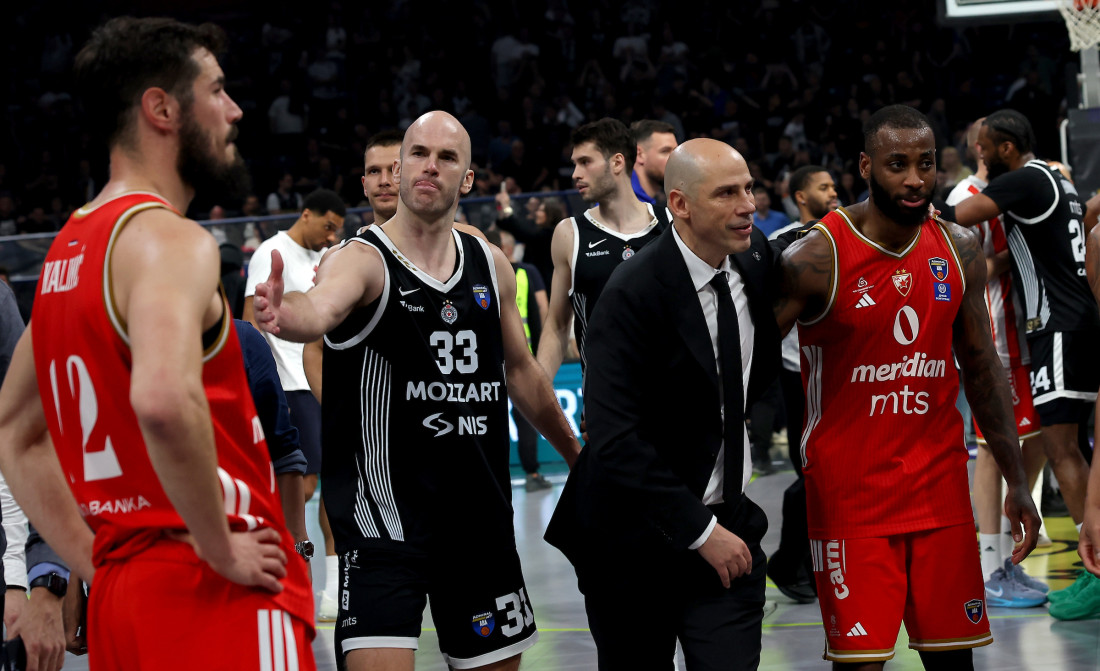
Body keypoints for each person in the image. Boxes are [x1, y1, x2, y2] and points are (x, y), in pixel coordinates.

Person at [0, 16, 314, 669]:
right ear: (162, 109)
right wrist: (220, 548)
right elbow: (164, 400)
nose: (235, 110)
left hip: (125, 591)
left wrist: (94, 559)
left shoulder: (67, 252)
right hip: (217, 583)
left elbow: (14, 431)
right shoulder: (171, 240)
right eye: (217, 90)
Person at [251, 111, 581, 671]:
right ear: (400, 169)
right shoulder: (361, 259)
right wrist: (285, 312)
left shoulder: (490, 264)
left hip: (478, 521)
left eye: (447, 157)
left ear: (468, 179)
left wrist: (576, 454)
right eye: (419, 154)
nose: (431, 166)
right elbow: (319, 309)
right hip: (383, 523)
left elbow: (522, 371)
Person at [775, 105, 1040, 668]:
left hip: (940, 492)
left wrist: (1017, 480)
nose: (916, 179)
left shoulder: (959, 248)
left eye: (925, 163)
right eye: (897, 164)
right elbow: (741, 363)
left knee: (954, 659)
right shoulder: (815, 256)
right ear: (866, 167)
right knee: (863, 663)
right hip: (850, 499)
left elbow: (982, 366)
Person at [546, 138, 780, 670]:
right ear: (680, 204)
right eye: (727, 193)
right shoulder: (631, 291)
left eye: (749, 188)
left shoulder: (754, 256)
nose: (748, 205)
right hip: (630, 537)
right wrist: (700, 531)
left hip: (729, 529)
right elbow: (614, 438)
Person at [938, 110, 1100, 606]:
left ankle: (1091, 569)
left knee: (1059, 448)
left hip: (1051, 327)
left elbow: (949, 218)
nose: (980, 151)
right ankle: (1000, 563)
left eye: (985, 144)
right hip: (1053, 325)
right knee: (1052, 447)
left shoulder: (1021, 180)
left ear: (1003, 148)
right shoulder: (1057, 177)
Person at [946, 117, 1049, 607]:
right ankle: (989, 567)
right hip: (994, 335)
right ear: (980, 149)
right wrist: (1020, 257)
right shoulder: (966, 196)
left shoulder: (1016, 188)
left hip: (1025, 331)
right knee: (991, 449)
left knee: (1036, 443)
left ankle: (1007, 558)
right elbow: (962, 269)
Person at [244, 187, 344, 620]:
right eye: (327, 226)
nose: (331, 236)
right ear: (306, 215)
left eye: (337, 231)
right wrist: (262, 388)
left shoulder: (329, 257)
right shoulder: (271, 252)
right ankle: (279, 576)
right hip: (287, 384)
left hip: (322, 382)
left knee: (335, 484)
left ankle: (333, 590)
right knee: (299, 486)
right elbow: (250, 323)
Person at [537, 117, 668, 382]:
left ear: (617, 162)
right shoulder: (569, 233)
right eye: (575, 163)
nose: (575, 173)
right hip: (604, 397)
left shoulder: (671, 224)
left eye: (585, 162)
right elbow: (558, 326)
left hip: (671, 394)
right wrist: (538, 394)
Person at [763, 164, 837, 604]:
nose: (834, 192)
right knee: (810, 472)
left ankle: (806, 564)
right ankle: (790, 563)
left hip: (838, 370)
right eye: (823, 187)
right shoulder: (784, 241)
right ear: (801, 197)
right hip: (798, 374)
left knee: (824, 473)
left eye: (834, 185)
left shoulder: (843, 232)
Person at [487, 228, 552, 491]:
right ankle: (532, 475)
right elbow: (538, 315)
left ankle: (489, 475)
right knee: (526, 417)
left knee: (487, 417)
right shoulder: (526, 273)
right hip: (520, 355)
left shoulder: (477, 271)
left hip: (490, 358)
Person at [630, 119, 678, 206]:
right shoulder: (623, 204)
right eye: (665, 151)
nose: (675, 159)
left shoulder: (649, 203)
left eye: (675, 152)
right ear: (639, 154)